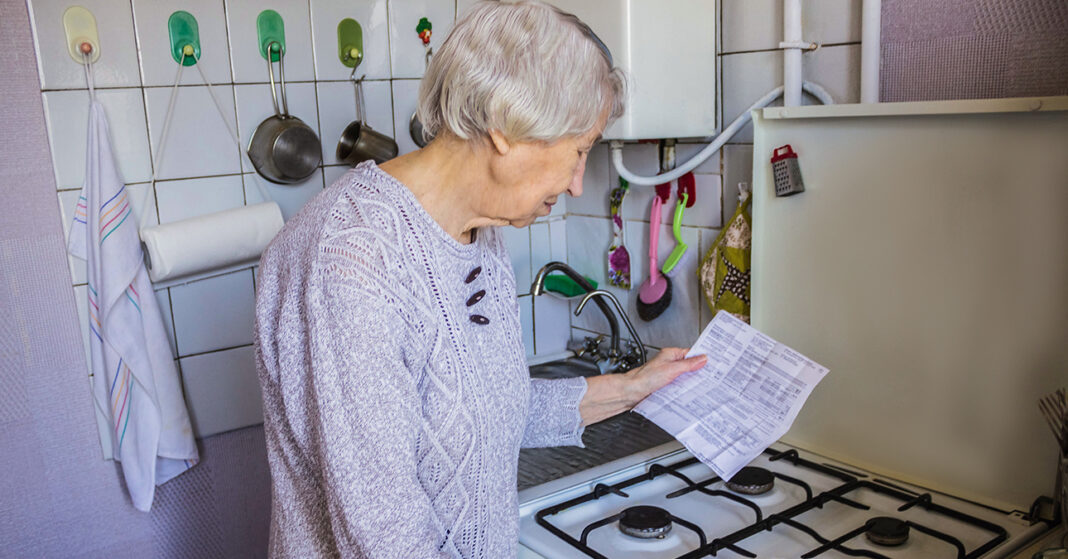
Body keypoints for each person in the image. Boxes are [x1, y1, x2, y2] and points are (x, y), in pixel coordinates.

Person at [253, 1, 707, 557]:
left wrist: (632, 388)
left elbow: (490, 409)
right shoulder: (351, 261)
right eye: (579, 152)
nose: (576, 184)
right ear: (505, 128)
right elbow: (385, 534)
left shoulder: (479, 233)